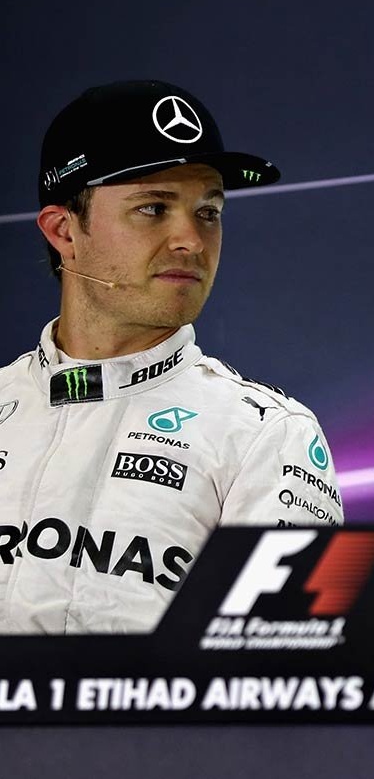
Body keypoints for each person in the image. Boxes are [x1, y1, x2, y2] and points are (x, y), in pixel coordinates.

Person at [0, 80, 343, 634]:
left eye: (208, 212)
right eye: (153, 208)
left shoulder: (267, 436)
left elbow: (287, 665)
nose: (191, 241)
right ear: (64, 231)